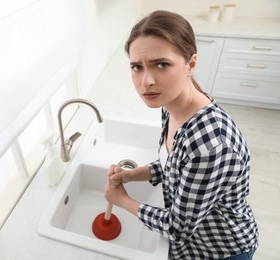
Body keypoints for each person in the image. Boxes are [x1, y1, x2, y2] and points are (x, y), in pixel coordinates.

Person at [105, 10, 259, 259]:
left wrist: (122, 200)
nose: (147, 81)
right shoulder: (170, 106)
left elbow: (178, 228)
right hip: (195, 245)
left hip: (220, 250)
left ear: (191, 64)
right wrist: (133, 174)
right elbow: (175, 165)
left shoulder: (211, 147)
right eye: (137, 67)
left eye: (162, 64)